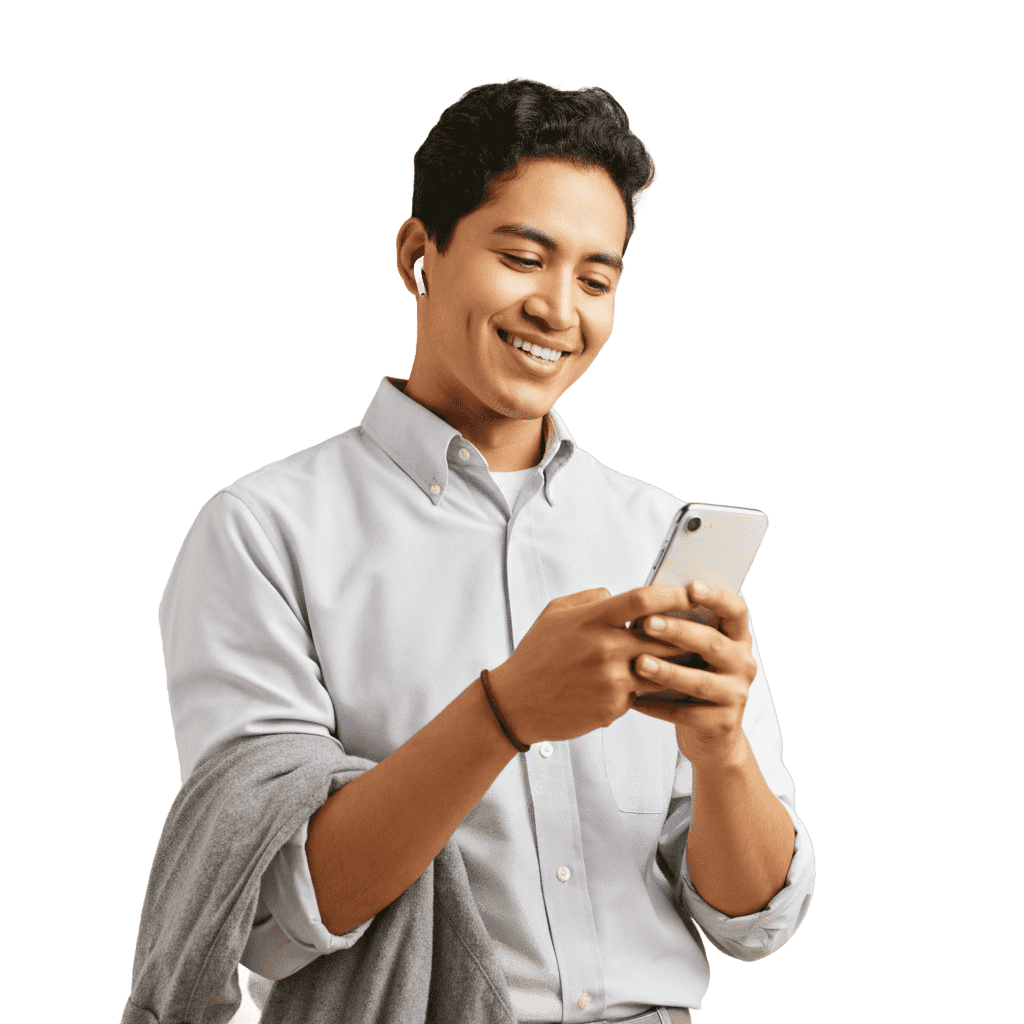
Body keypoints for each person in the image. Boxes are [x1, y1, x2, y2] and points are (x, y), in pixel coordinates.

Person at [160, 78, 814, 1023]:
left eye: (597, 278)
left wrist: (719, 754)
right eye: (523, 257)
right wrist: (505, 712)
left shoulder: (654, 534)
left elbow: (753, 922)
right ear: (419, 255)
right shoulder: (262, 533)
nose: (558, 308)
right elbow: (262, 916)